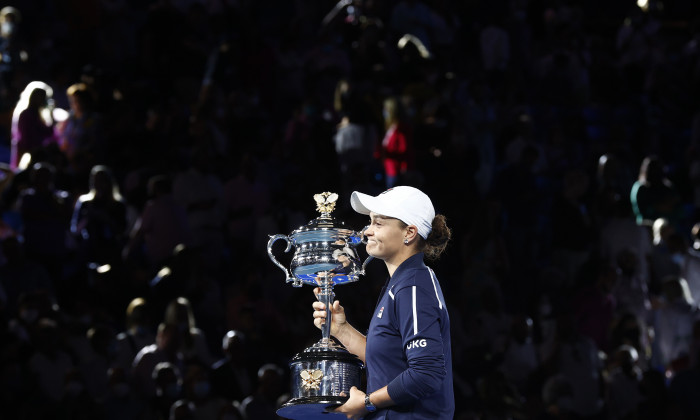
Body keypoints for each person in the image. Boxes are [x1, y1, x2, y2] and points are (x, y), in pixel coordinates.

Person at [312, 185, 454, 419]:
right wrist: (341, 330)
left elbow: (426, 373)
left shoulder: (413, 285)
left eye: (378, 223)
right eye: (370, 222)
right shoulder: (400, 283)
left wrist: (367, 403)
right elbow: (387, 361)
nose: (367, 231)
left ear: (409, 233)